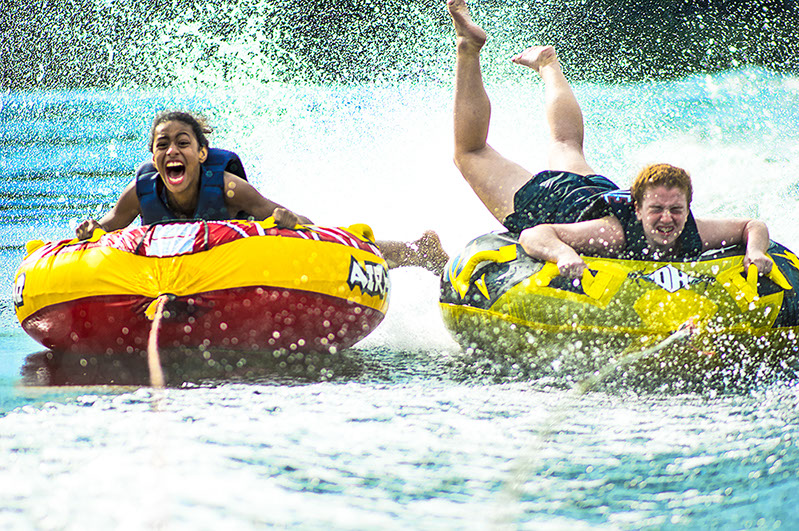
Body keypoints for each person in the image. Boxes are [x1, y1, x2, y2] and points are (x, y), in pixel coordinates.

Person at [446, 0, 773, 279]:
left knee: (566, 144)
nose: (667, 219)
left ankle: (548, 64)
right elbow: (535, 235)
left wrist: (756, 251)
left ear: (688, 208)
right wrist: (562, 253)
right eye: (657, 209)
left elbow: (752, 225)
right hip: (554, 200)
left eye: (676, 209)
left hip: (595, 191)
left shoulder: (692, 229)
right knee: (470, 152)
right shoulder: (611, 235)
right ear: (638, 209)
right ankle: (468, 48)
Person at [75, 110, 448, 273]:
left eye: (183, 143)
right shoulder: (141, 192)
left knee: (324, 250)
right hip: (185, 271)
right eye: (163, 145)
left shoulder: (227, 188)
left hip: (248, 256)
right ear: (154, 156)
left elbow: (300, 222)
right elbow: (109, 225)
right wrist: (92, 229)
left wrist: (288, 220)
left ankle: (418, 251)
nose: (172, 151)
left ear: (201, 154)